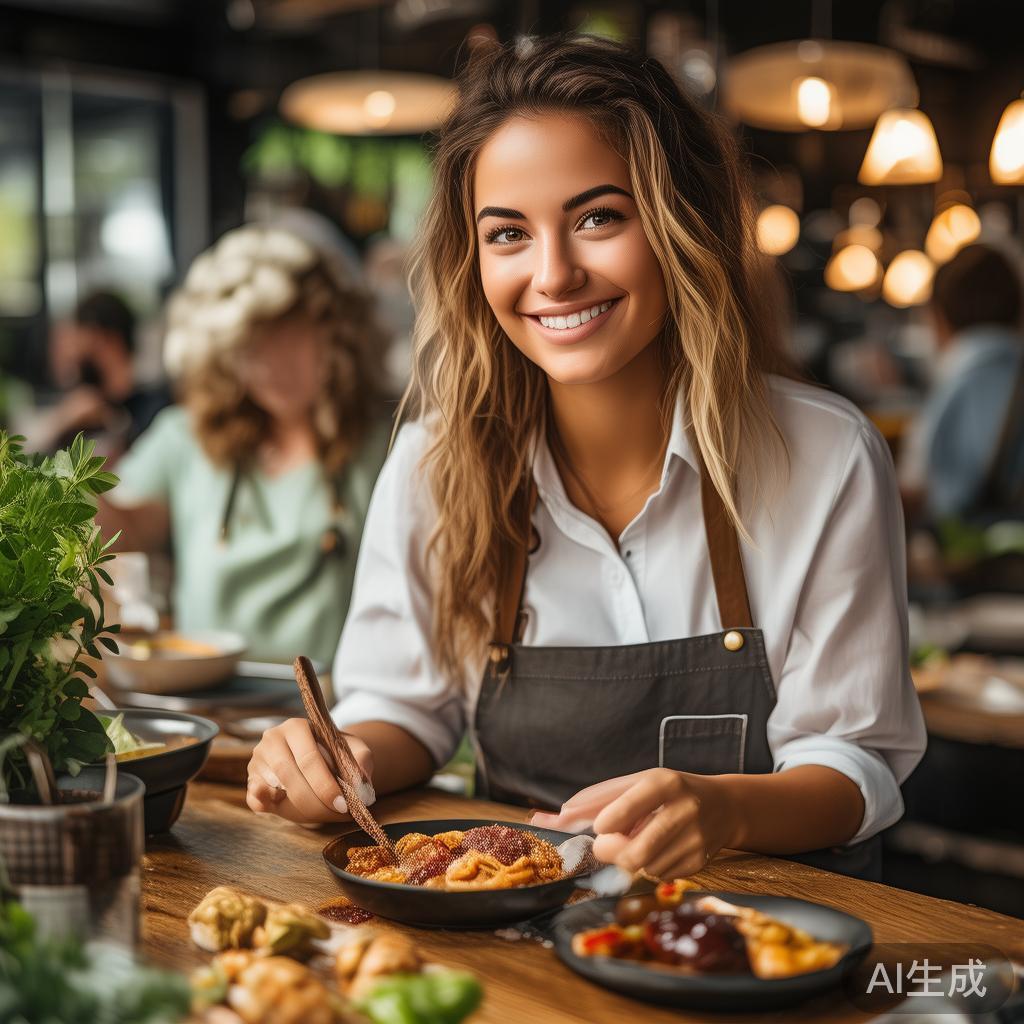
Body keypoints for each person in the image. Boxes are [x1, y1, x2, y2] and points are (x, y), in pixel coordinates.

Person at [246, 36, 925, 881]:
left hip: (759, 944)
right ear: (471, 258)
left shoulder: (824, 457)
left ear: (683, 223)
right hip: (520, 946)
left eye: (598, 217)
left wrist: (727, 807)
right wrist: (337, 758)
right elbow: (407, 711)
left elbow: (854, 762)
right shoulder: (431, 466)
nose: (554, 274)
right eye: (508, 234)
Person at [98, 225, 391, 666]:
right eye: (250, 346)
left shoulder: (383, 445)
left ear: (337, 332)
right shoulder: (185, 436)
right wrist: (73, 495)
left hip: (333, 708)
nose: (271, 363)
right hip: (207, 698)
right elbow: (127, 529)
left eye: (288, 335)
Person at [900, 243, 1024, 523]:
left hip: (978, 554)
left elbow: (940, 496)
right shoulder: (1012, 367)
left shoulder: (962, 378)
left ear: (940, 315)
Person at [34, 290, 170, 456]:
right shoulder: (79, 411)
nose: (73, 353)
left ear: (104, 338)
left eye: (79, 339)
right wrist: (61, 421)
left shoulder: (154, 410)